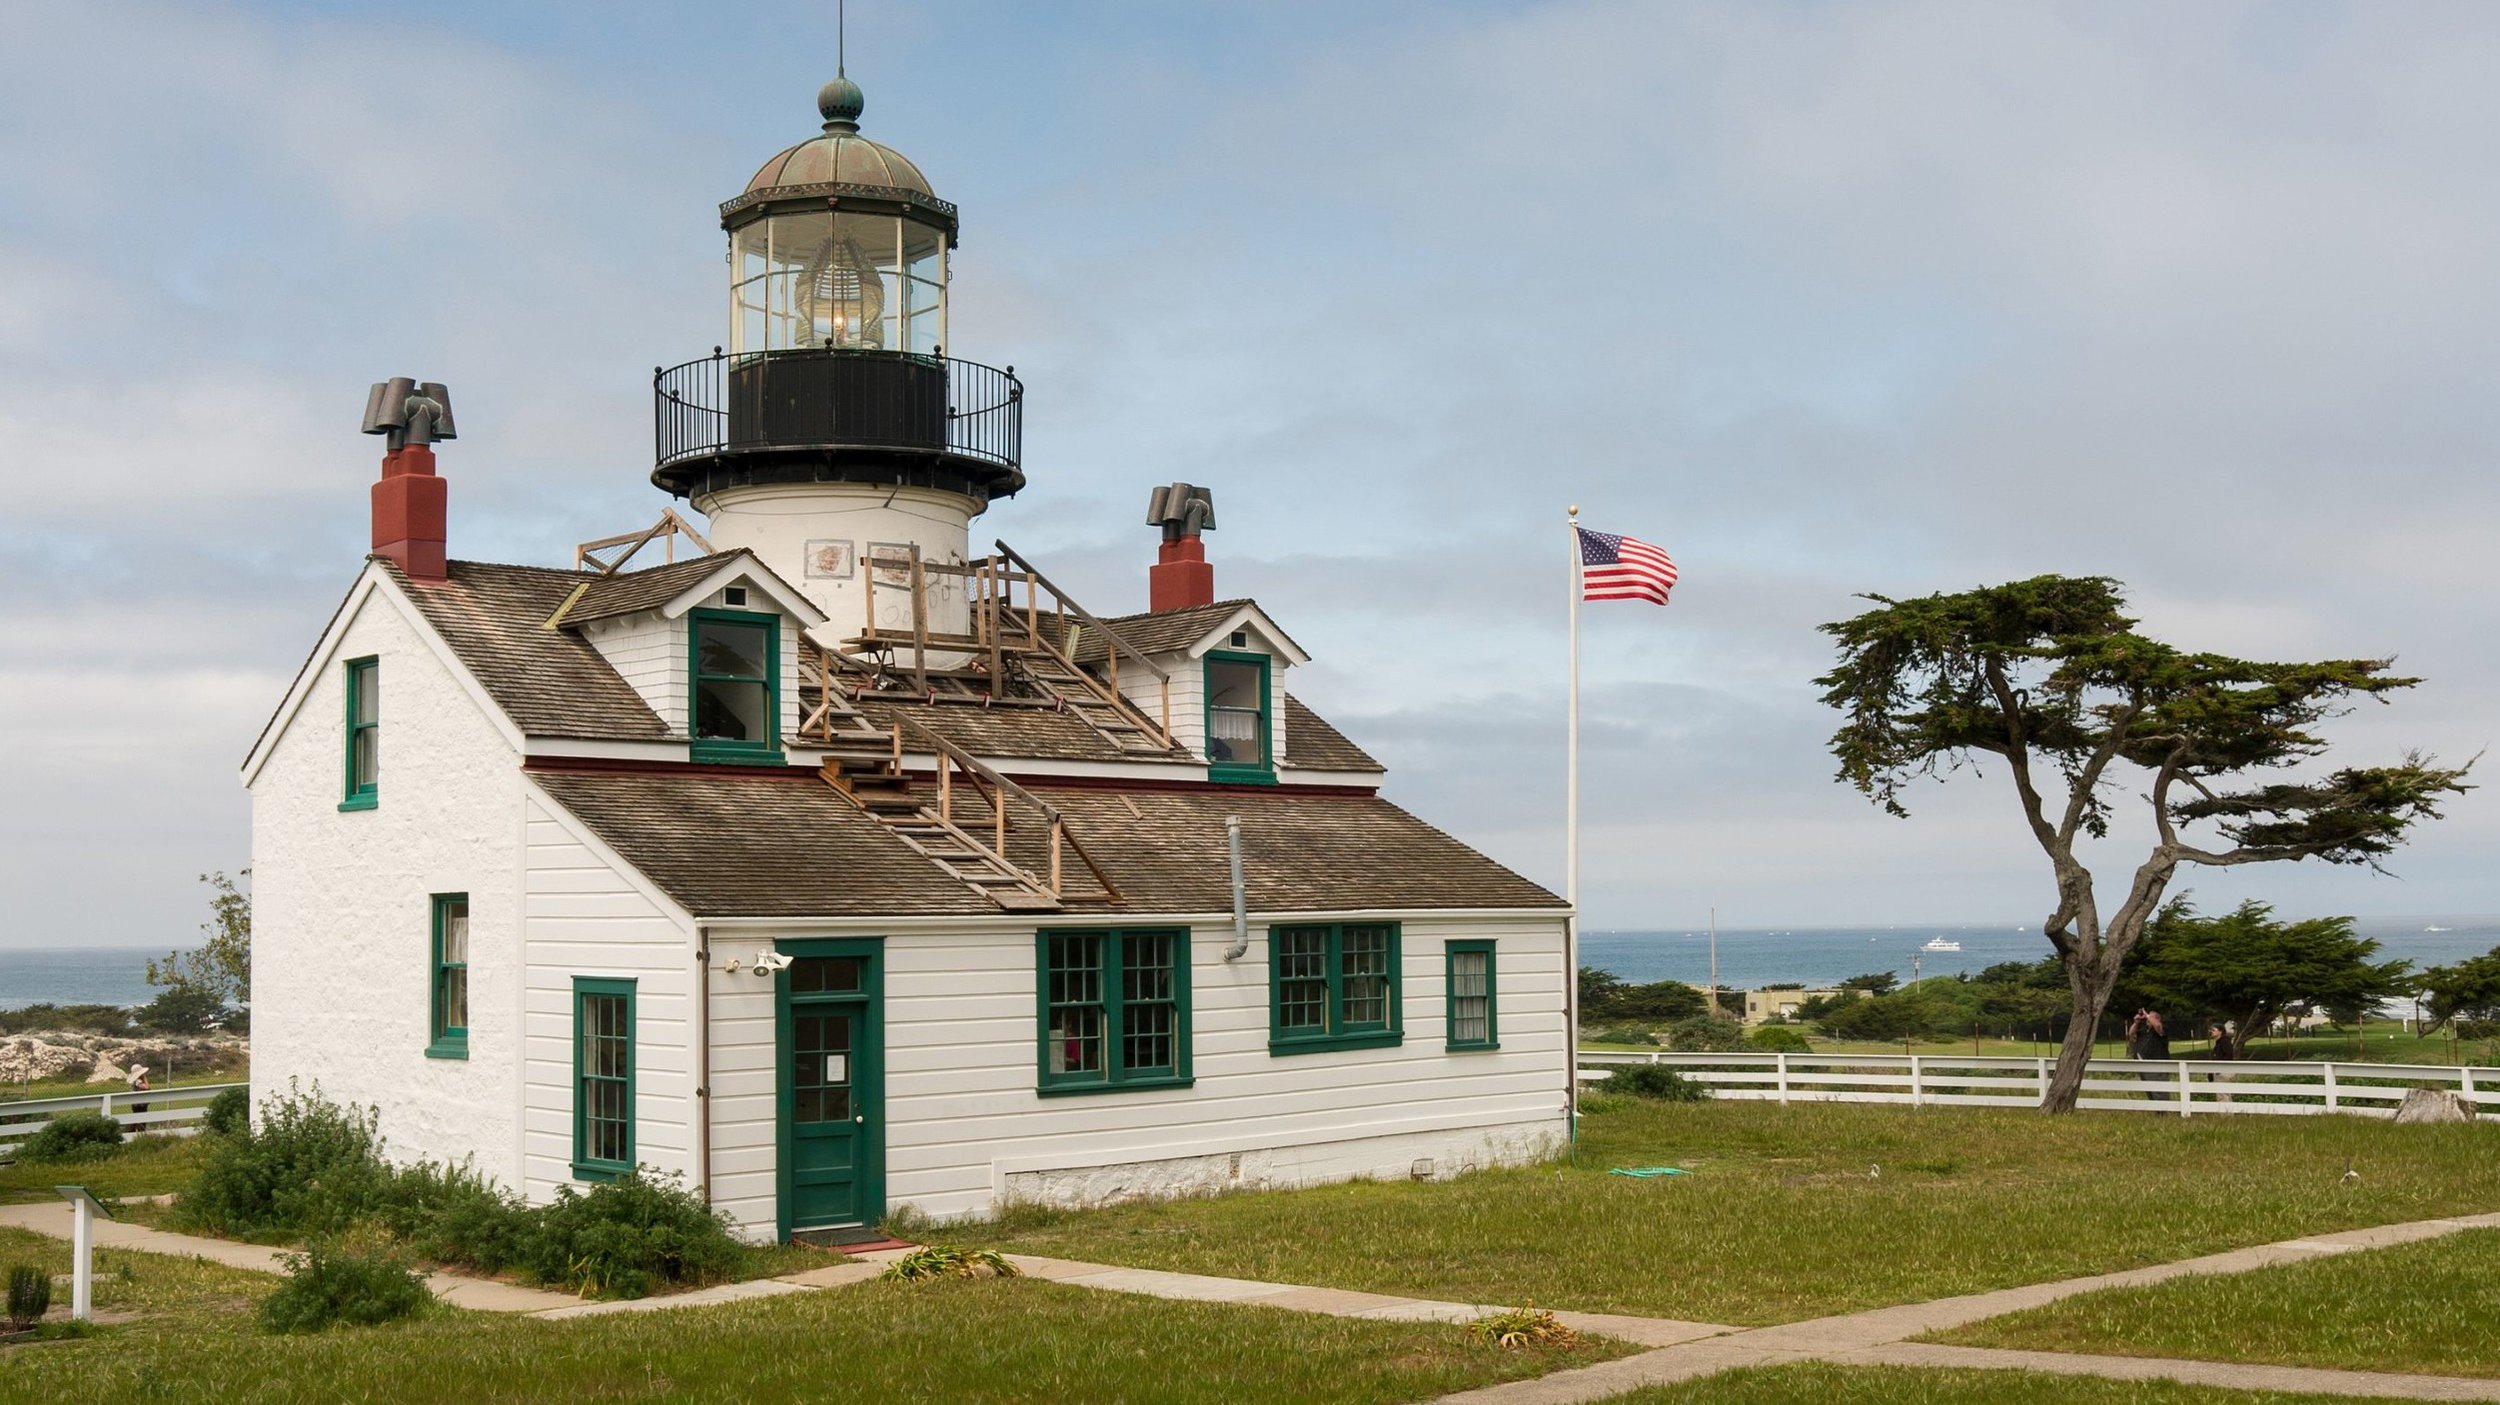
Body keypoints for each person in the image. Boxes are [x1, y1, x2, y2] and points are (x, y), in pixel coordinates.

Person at [2126, 1010, 2170, 1100]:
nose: (2147, 1020)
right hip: (2144, 1065)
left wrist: (2147, 1015)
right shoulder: (2144, 1031)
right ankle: (2156, 1111)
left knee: (2160, 1091)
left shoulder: (2161, 1030)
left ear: (2157, 1019)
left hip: (2158, 1066)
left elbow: (2157, 1026)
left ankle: (2163, 1111)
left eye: (2150, 1018)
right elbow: (2131, 1034)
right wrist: (2136, 1023)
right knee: (2150, 1090)